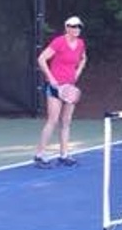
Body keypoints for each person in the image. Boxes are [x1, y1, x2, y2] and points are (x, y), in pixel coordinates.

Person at [34, 15, 88, 167]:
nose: (77, 29)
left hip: (70, 88)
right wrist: (51, 78)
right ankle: (39, 155)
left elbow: (83, 58)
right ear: (67, 28)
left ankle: (64, 155)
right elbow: (41, 59)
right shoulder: (59, 42)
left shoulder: (81, 44)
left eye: (79, 26)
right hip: (55, 87)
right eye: (73, 26)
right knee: (52, 121)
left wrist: (78, 72)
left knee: (66, 122)